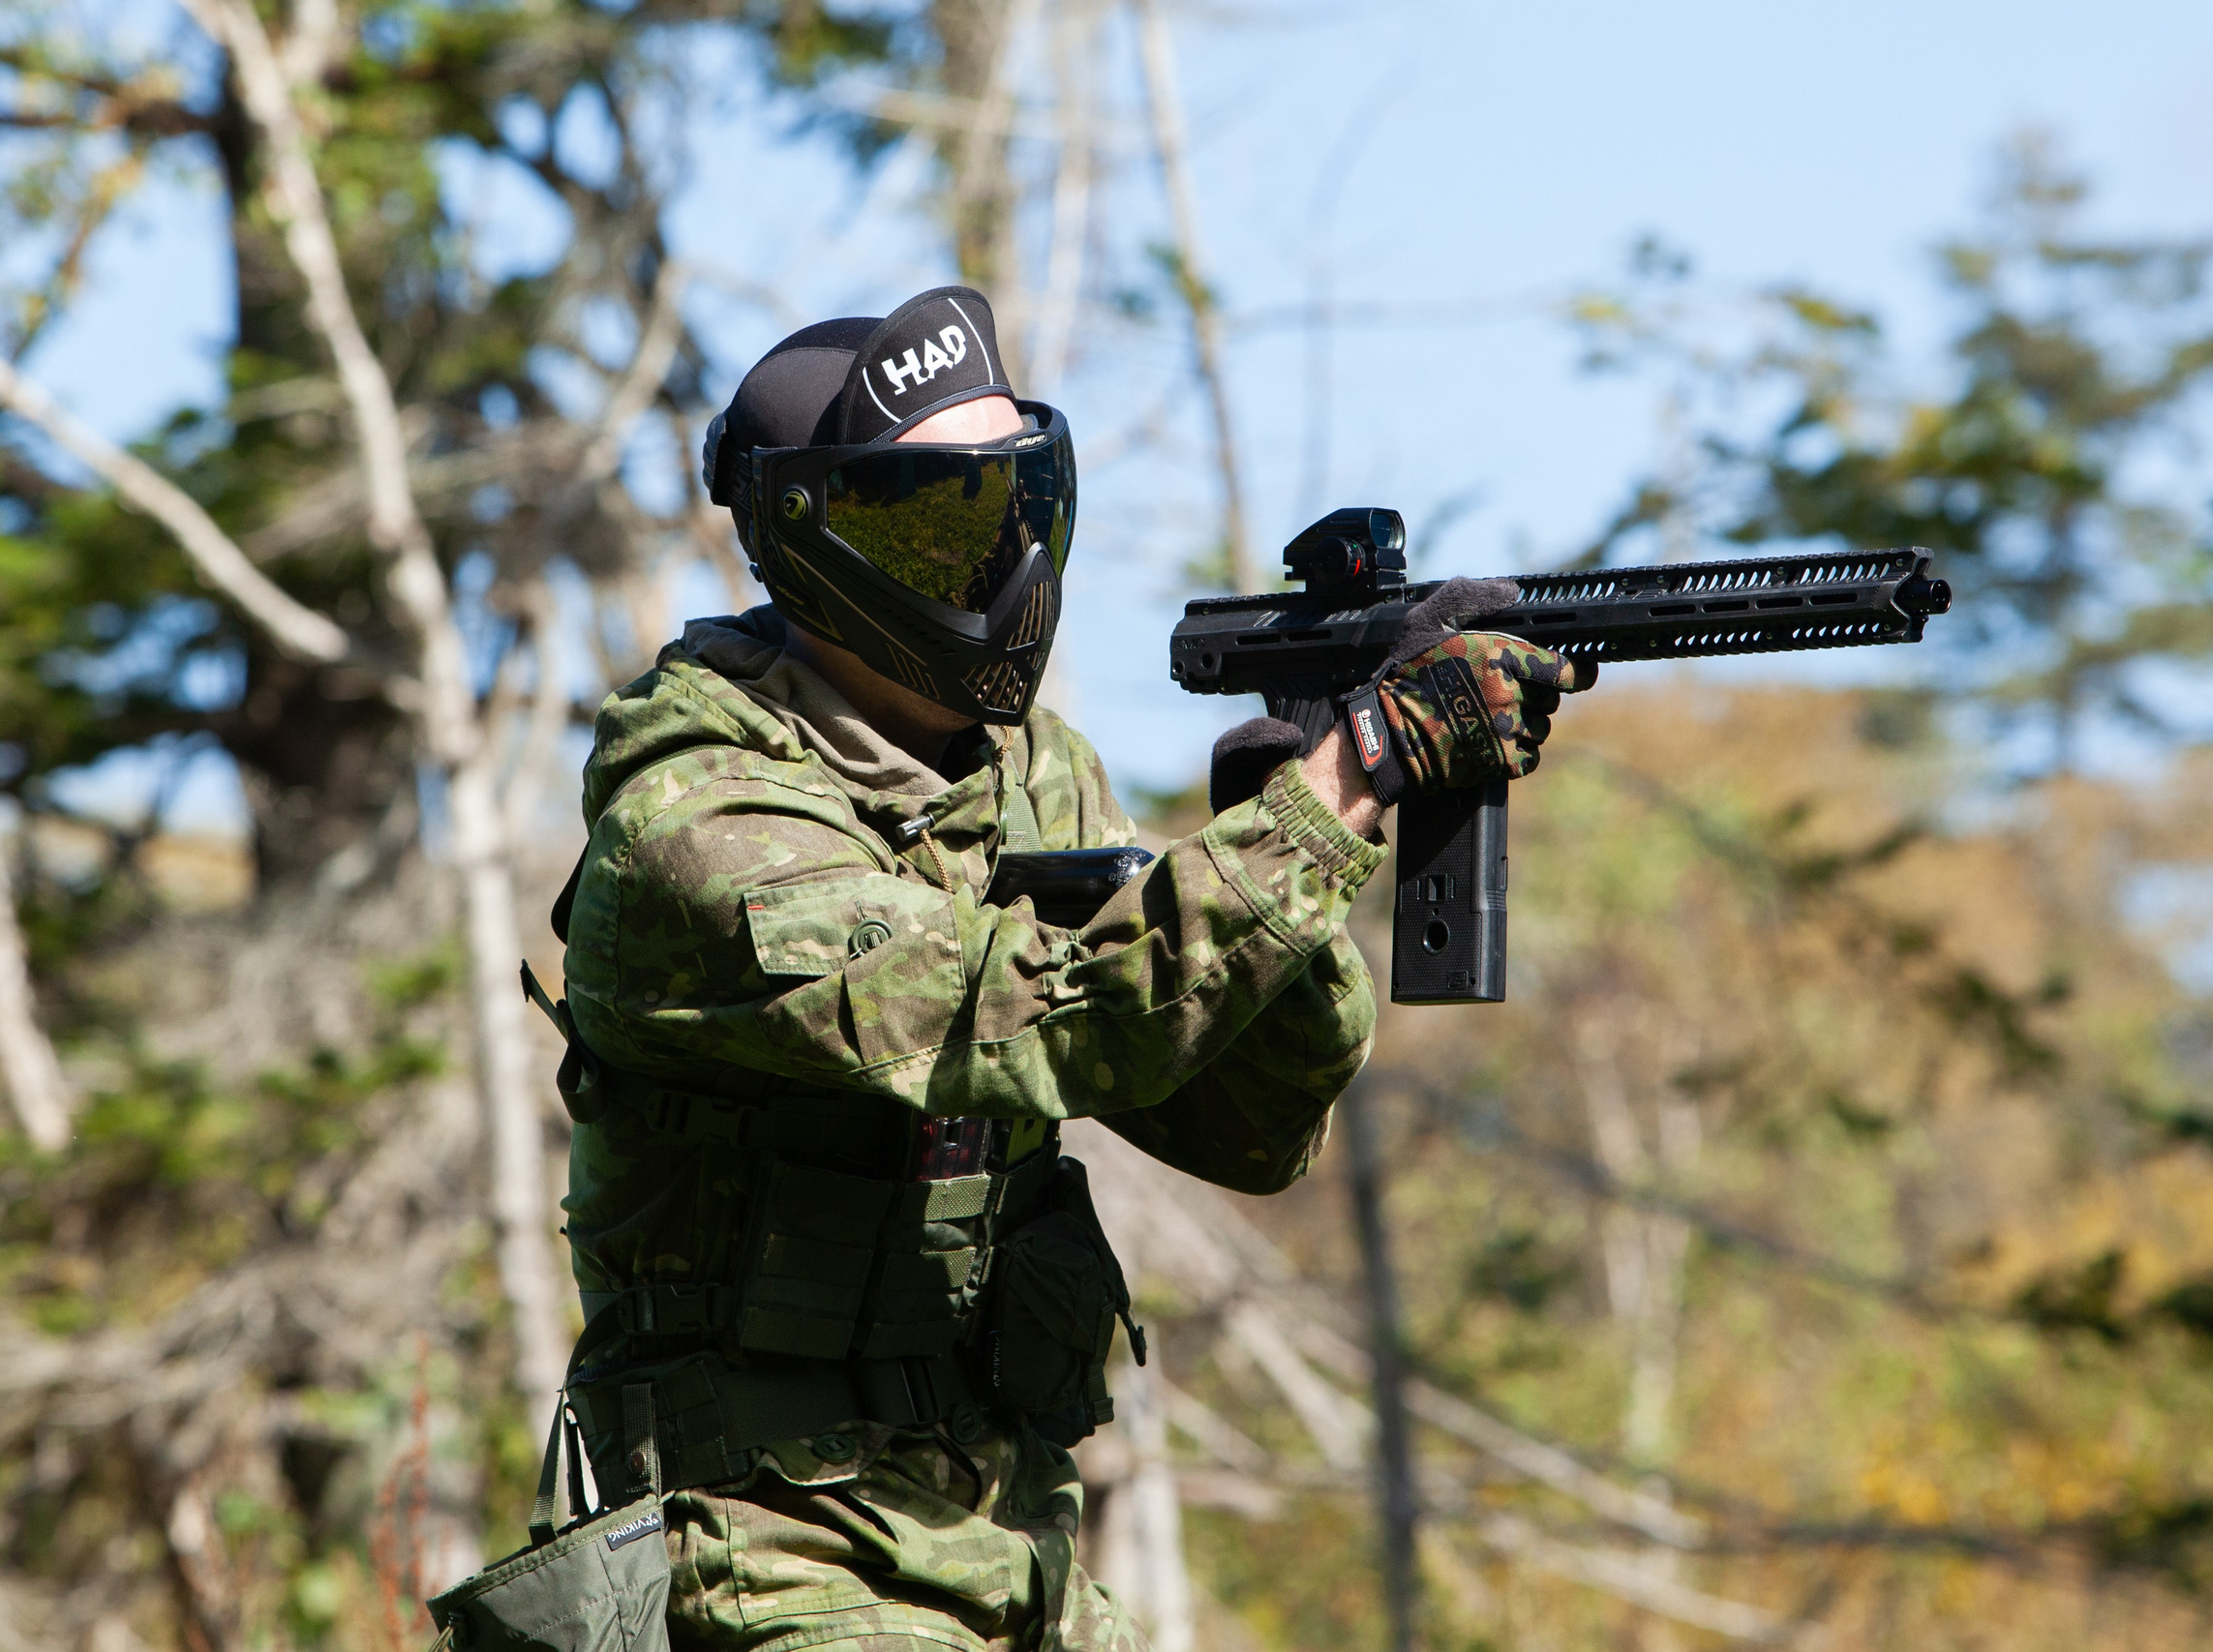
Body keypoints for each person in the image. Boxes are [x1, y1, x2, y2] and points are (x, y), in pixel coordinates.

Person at [543, 285, 1575, 1651]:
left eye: (1020, 503)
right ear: (818, 542)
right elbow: (1024, 1017)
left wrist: (1286, 827)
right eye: (948, 520)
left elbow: (1243, 1120)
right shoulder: (695, 831)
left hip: (1011, 1544)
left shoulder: (1028, 783)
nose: (1006, 559)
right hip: (760, 1546)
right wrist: (1352, 777)